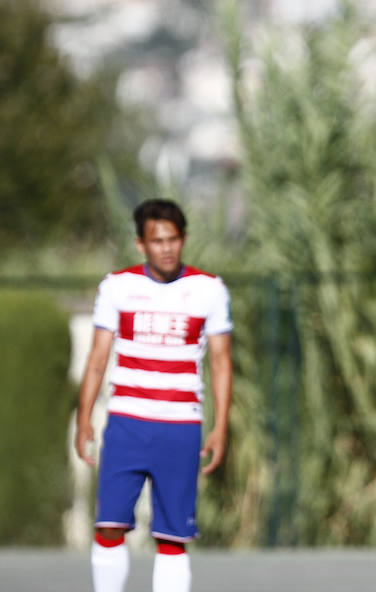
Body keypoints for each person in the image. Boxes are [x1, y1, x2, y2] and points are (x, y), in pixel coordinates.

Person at [75, 199, 233, 592]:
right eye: (156, 240)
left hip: (180, 427)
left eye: (173, 239)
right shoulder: (117, 286)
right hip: (126, 424)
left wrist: (220, 428)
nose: (166, 247)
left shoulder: (208, 289)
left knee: (172, 536)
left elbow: (220, 362)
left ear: (184, 240)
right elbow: (97, 360)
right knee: (109, 525)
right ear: (140, 244)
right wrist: (83, 419)